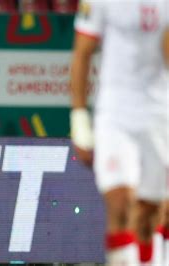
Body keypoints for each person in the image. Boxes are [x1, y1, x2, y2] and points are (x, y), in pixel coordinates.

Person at [70, 0, 168, 264]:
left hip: (159, 114)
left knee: (151, 213)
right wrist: (79, 117)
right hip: (115, 115)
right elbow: (82, 53)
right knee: (121, 202)